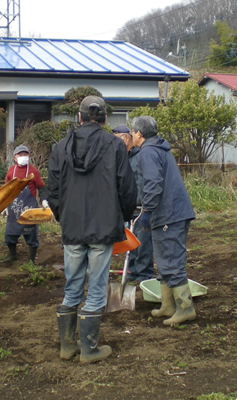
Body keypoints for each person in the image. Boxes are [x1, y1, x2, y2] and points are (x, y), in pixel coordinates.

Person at [48, 96, 137, 364]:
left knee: (72, 285)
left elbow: (52, 190)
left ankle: (67, 346)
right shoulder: (115, 146)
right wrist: (123, 217)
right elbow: (127, 187)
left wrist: (62, 216)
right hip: (104, 227)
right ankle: (89, 349)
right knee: (97, 286)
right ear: (105, 119)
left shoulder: (60, 148)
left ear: (79, 116)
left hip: (72, 227)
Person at [131, 115, 196, 326]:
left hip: (169, 213)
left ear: (139, 134)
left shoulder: (148, 152)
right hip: (172, 212)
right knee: (163, 257)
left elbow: (153, 182)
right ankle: (168, 305)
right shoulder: (160, 149)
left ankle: (186, 308)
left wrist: (147, 209)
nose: (132, 136)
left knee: (171, 258)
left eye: (133, 133)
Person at [112, 124, 154, 282]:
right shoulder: (119, 158)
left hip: (142, 206)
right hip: (127, 207)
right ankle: (132, 271)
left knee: (143, 243)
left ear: (126, 138)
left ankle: (143, 274)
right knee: (130, 242)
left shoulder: (140, 156)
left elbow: (145, 181)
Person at [3, 144, 49, 263]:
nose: (23, 156)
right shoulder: (11, 171)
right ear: (15, 157)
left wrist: (44, 200)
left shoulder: (34, 171)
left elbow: (42, 187)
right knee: (10, 234)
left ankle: (31, 260)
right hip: (14, 209)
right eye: (20, 154)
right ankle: (13, 256)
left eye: (25, 154)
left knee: (31, 235)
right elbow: (6, 189)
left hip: (30, 209)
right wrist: (3, 205)